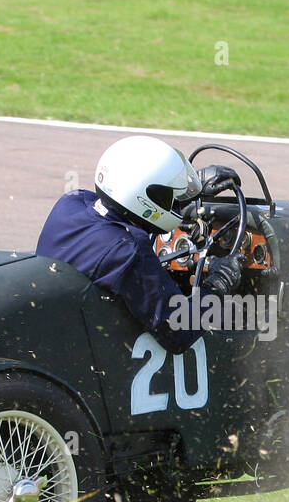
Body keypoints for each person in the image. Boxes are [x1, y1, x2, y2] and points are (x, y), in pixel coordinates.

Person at [35, 136, 243, 354]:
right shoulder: (127, 251)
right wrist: (218, 285)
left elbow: (132, 197)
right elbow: (179, 331)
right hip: (96, 354)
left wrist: (187, 189)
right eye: (171, 193)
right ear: (146, 196)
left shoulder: (71, 203)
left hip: (56, 330)